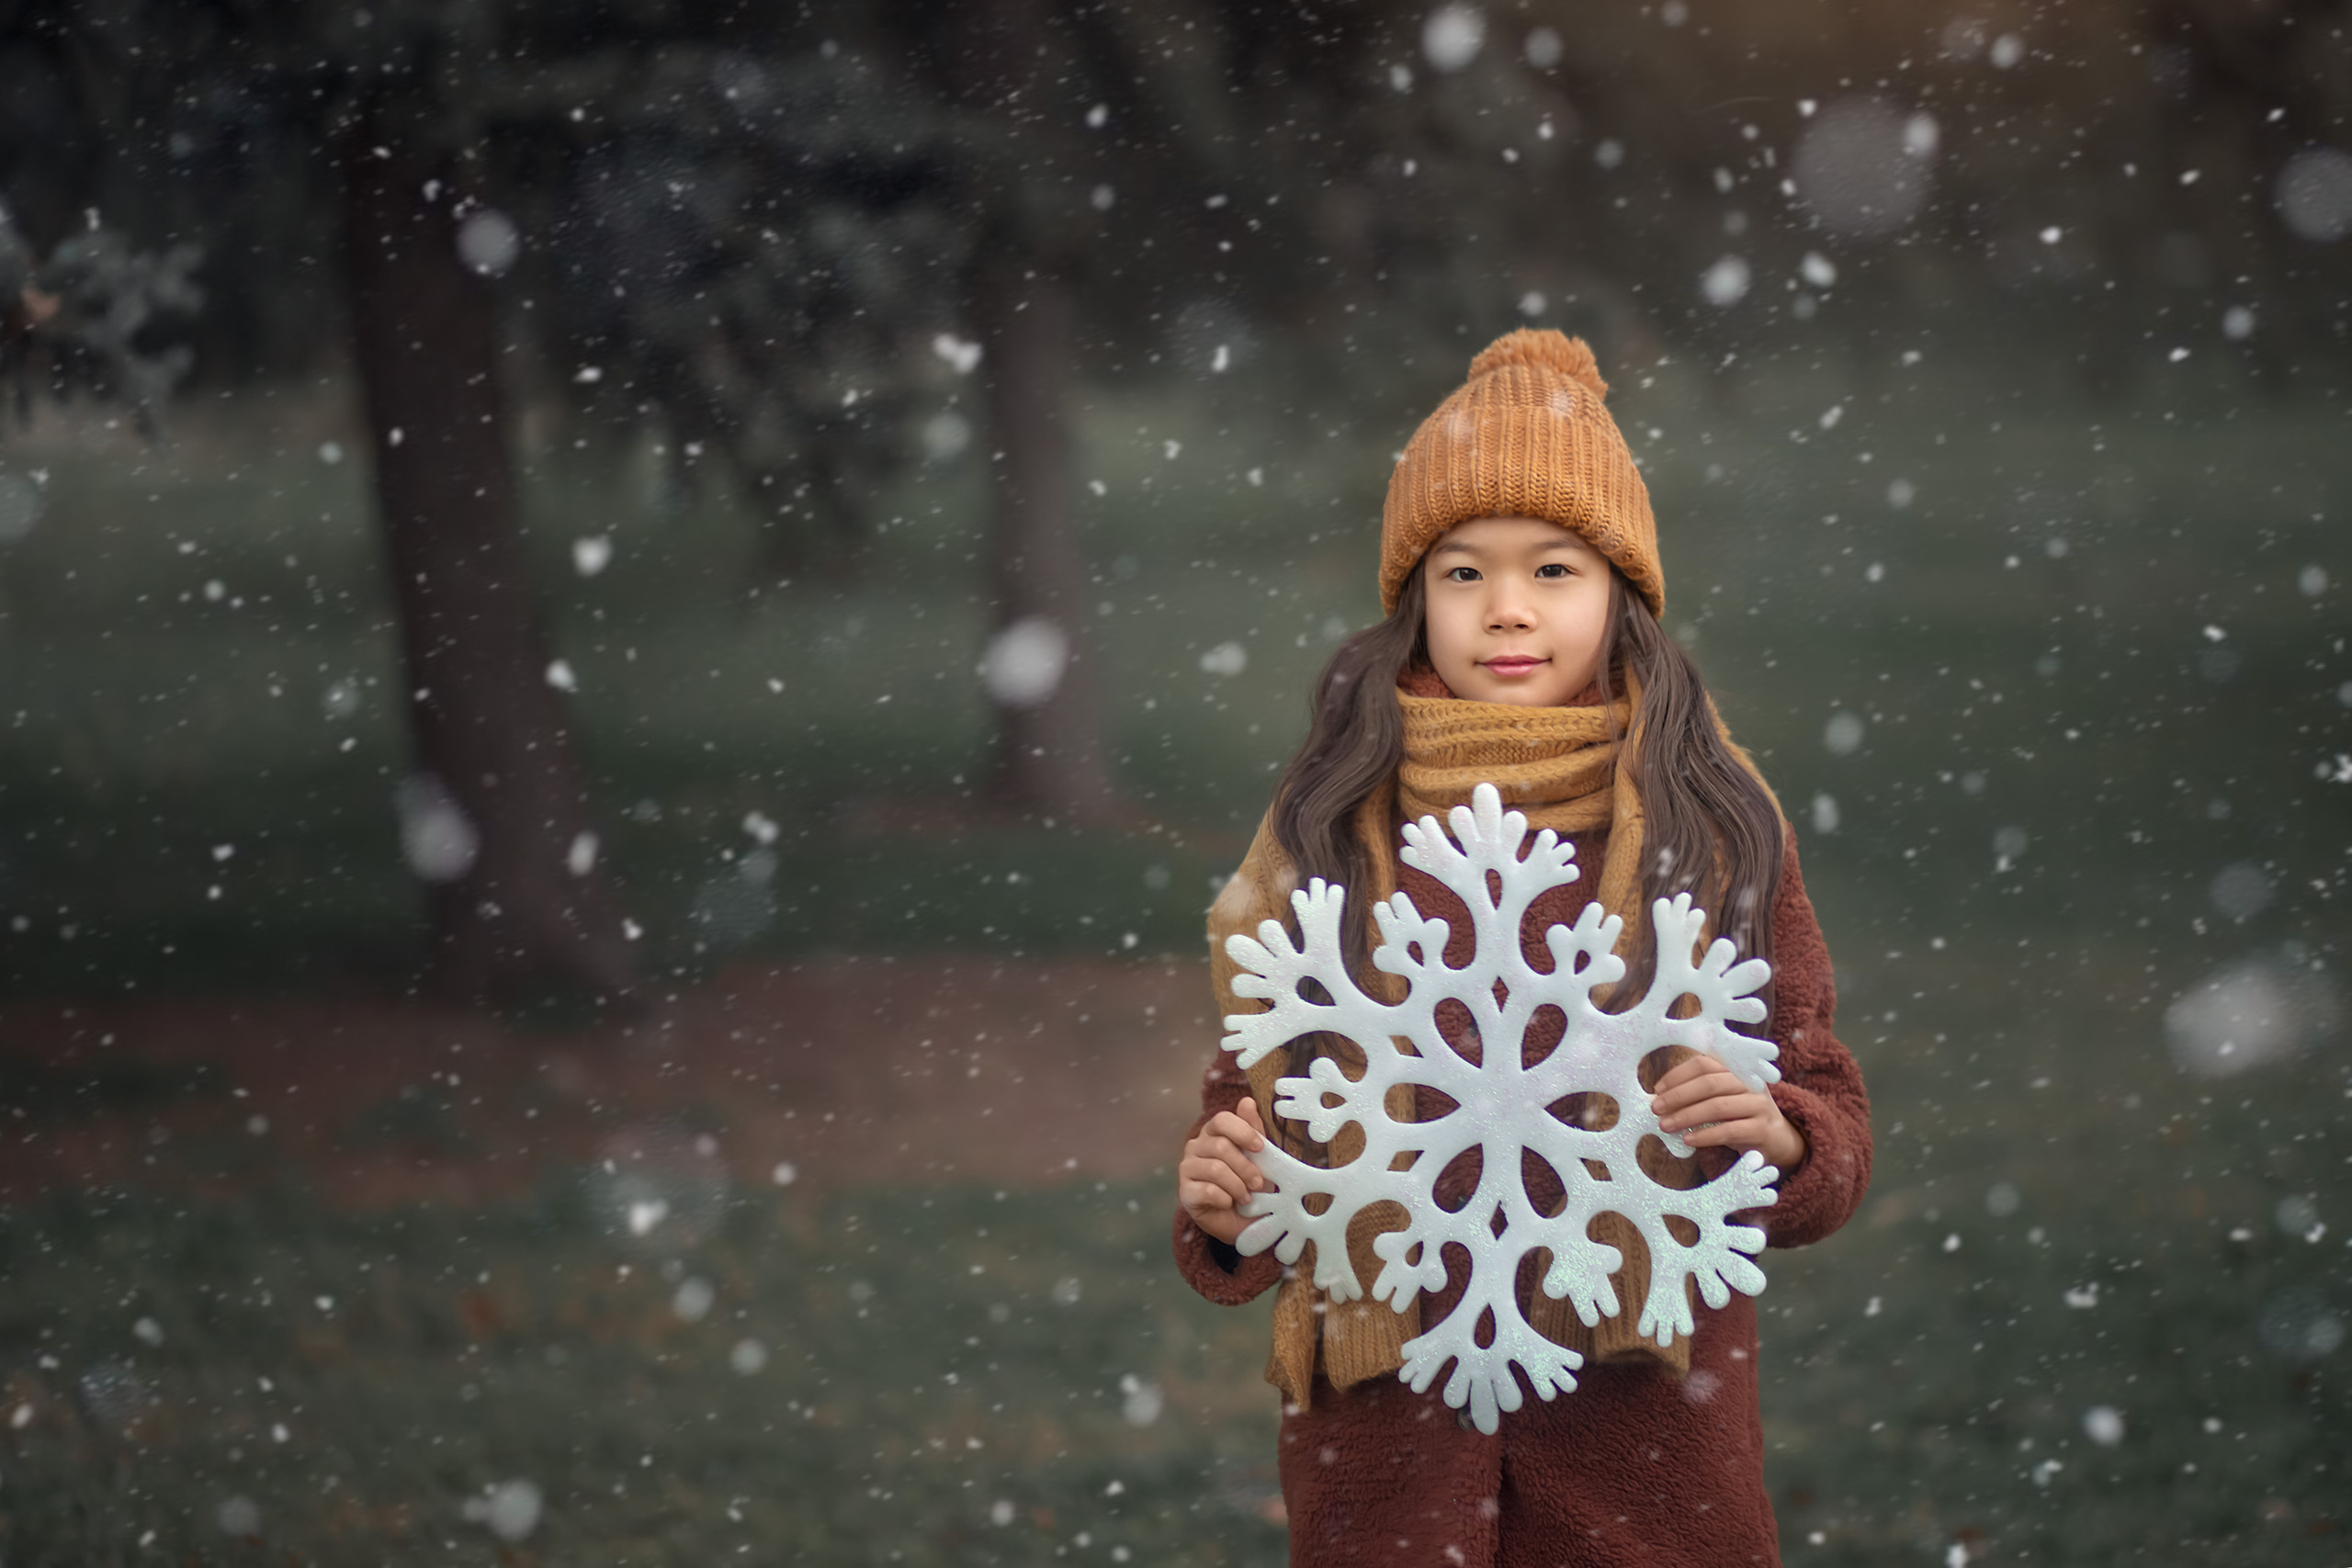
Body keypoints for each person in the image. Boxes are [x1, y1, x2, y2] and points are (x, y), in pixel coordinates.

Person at [1170, 329, 1872, 1567]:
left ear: (1620, 594)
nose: (1507, 609)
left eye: (1554, 568)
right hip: (1387, 1453)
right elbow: (1259, 1114)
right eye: (1462, 573)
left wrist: (1777, 1133)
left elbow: (1827, 1111)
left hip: (1647, 1435)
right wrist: (1228, 1202)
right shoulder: (1329, 823)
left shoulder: (1715, 826)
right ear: (1413, 601)